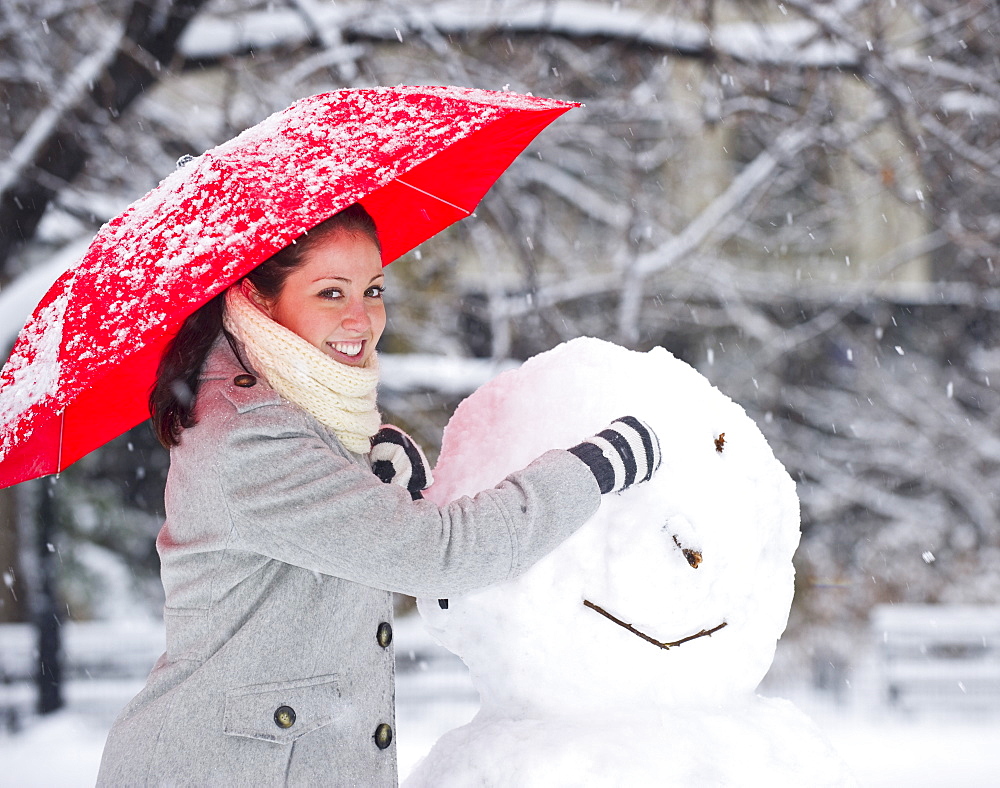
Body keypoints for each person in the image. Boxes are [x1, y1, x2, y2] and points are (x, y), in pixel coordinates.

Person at [96, 203, 660, 786]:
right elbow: (443, 555)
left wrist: (365, 471)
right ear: (260, 299)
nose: (362, 319)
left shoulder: (297, 408)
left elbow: (322, 550)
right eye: (331, 294)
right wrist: (591, 470)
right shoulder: (251, 438)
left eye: (373, 289)